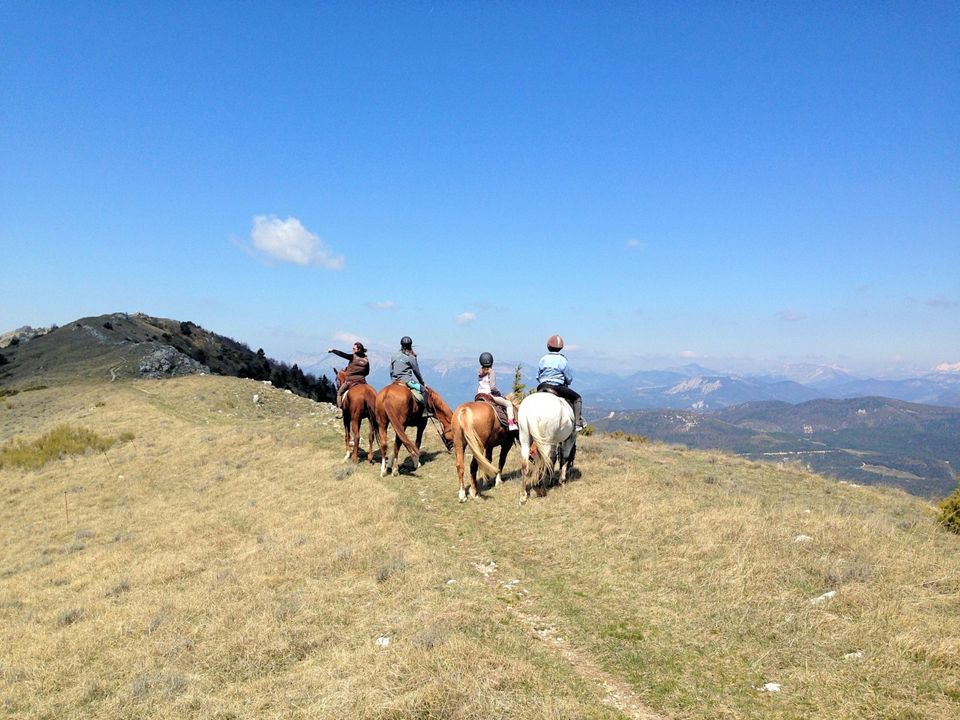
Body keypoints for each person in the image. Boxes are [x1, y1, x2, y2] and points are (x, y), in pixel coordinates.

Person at [536, 334, 583, 430]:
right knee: (577, 398)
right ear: (561, 348)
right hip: (557, 388)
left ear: (548, 346)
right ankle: (578, 423)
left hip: (541, 387)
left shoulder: (543, 359)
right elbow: (569, 378)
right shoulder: (563, 360)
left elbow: (537, 376)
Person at [390, 335, 432, 416]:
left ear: (401, 345)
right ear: (410, 345)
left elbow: (391, 371)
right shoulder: (411, 357)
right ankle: (425, 411)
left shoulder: (394, 356)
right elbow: (417, 372)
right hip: (407, 381)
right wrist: (422, 383)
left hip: (395, 381)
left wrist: (393, 381)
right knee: (424, 391)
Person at [476, 352, 517, 431]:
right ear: (491, 361)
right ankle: (511, 423)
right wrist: (498, 393)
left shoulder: (479, 371)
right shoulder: (491, 372)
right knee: (508, 404)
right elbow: (493, 387)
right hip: (489, 395)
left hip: (479, 395)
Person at [327, 341, 370, 410]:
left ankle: (340, 410)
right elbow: (367, 372)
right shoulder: (366, 359)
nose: (352, 350)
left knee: (339, 393)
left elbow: (342, 354)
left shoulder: (353, 356)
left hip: (351, 380)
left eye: (354, 348)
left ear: (358, 349)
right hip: (362, 381)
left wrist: (332, 350)